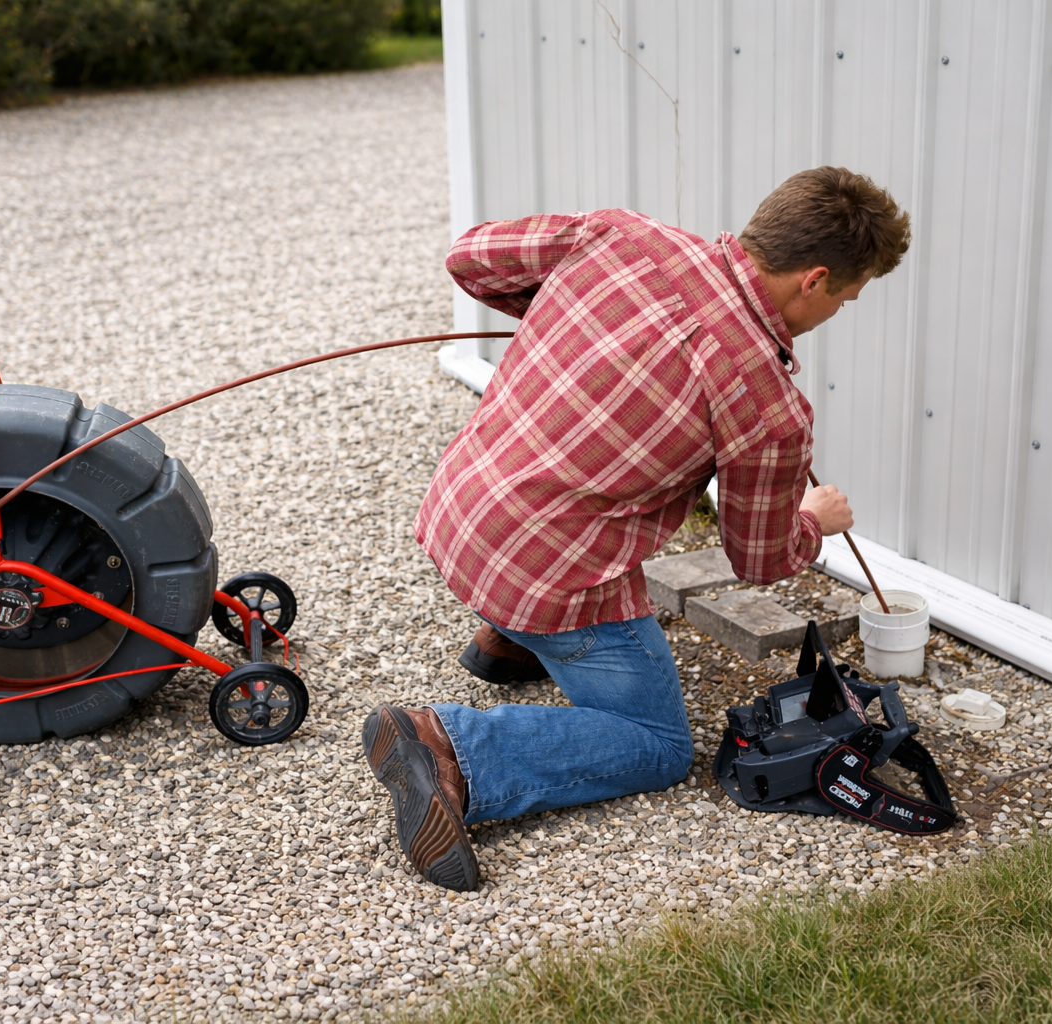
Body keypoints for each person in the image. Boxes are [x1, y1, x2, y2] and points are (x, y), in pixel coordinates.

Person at [362, 167, 910, 891]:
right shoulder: (766, 404)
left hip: (460, 512)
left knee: (566, 520)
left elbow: (470, 257)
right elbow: (759, 558)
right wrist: (812, 521)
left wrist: (564, 318)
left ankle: (510, 636)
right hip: (544, 573)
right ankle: (451, 748)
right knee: (658, 747)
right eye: (847, 296)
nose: (840, 308)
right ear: (812, 279)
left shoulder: (625, 238)